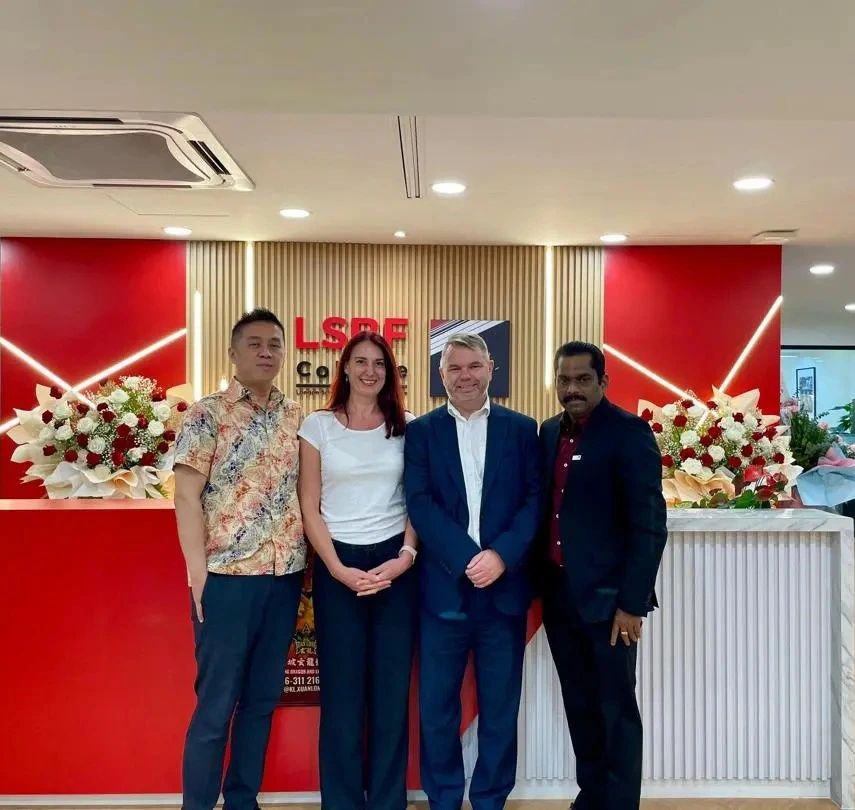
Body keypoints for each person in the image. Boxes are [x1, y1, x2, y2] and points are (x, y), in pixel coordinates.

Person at [173, 308, 305, 810]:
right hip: (225, 580)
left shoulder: (296, 416)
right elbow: (186, 496)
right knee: (215, 706)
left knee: (260, 704)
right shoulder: (207, 414)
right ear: (233, 352)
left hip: (284, 576)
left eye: (274, 343)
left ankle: (243, 800)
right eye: (254, 343)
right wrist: (197, 573)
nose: (266, 351)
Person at [404, 332, 541, 810]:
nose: (465, 376)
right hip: (444, 590)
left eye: (473, 366)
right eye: (454, 368)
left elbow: (534, 501)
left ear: (490, 369)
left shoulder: (524, 429)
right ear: (441, 376)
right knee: (438, 709)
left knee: (500, 709)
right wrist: (467, 557)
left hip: (503, 591)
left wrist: (500, 555)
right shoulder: (420, 432)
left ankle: (489, 800)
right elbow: (419, 504)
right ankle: (443, 798)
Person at [536, 341, 667, 810]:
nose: (572, 389)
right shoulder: (549, 432)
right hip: (559, 597)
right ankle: (591, 798)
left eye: (582, 379)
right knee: (580, 706)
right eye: (564, 380)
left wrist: (632, 603)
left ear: (603, 382)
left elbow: (650, 523)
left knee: (616, 710)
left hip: (612, 604)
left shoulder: (628, 432)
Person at [297, 331, 418, 810]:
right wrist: (337, 568)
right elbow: (310, 505)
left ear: (390, 373)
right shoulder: (318, 425)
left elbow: (417, 500)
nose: (370, 371)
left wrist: (405, 555)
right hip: (337, 564)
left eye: (380, 363)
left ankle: (388, 801)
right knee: (343, 699)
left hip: (395, 567)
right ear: (344, 368)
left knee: (390, 697)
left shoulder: (407, 426)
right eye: (361, 361)